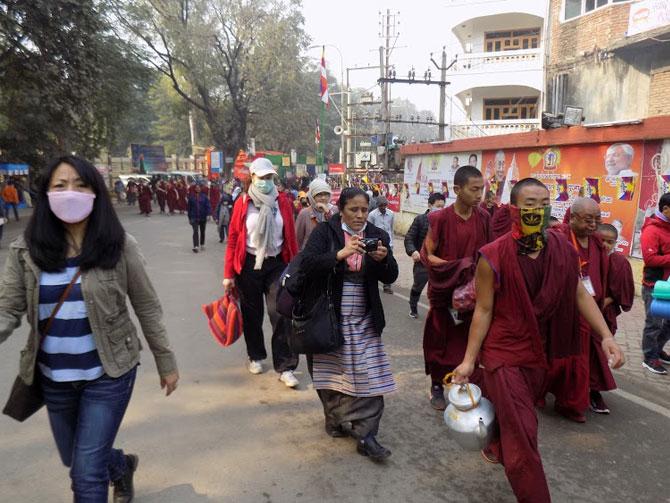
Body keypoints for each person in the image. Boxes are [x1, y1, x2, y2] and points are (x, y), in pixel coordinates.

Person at [0, 155, 179, 502]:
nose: (71, 192)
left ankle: (107, 469)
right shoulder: (25, 250)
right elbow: (7, 308)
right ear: (46, 194)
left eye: (81, 185)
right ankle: (121, 466)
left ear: (95, 193)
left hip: (109, 373)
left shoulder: (120, 245)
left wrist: (166, 361)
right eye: (60, 185)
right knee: (77, 457)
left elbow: (147, 306)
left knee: (85, 475)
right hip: (54, 378)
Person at [453, 178, 624, 503]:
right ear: (514, 209)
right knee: (524, 434)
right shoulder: (493, 256)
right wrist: (468, 359)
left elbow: (577, 291)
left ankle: (497, 442)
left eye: (544, 203)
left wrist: (605, 336)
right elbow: (484, 310)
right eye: (530, 204)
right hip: (503, 353)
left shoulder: (561, 249)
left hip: (539, 354)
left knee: (520, 421)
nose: (538, 210)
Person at [301, 187, 399, 461]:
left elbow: (390, 275)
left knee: (370, 373)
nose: (359, 215)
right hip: (329, 316)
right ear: (341, 209)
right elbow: (307, 264)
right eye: (353, 210)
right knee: (331, 373)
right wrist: (339, 254)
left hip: (365, 315)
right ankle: (334, 417)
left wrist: (384, 260)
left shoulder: (377, 235)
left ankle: (367, 434)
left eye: (364, 210)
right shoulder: (326, 232)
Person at [222, 158, 299, 387]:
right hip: (248, 264)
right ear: (252, 177)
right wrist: (228, 274)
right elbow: (234, 238)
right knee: (252, 315)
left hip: (276, 263)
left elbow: (291, 237)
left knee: (281, 313)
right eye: (262, 177)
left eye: (269, 178)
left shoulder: (282, 201)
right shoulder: (243, 202)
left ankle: (286, 366)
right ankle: (255, 356)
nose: (266, 181)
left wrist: (295, 268)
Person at [421, 165, 491, 410]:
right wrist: (460, 267)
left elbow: (490, 253)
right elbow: (428, 256)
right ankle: (437, 384)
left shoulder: (483, 217)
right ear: (457, 189)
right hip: (445, 290)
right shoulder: (439, 218)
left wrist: (477, 273)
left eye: (482, 189)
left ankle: (466, 382)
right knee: (440, 338)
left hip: (474, 292)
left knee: (469, 340)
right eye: (474, 189)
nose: (479, 195)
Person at [550, 197, 615, 419]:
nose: (593, 225)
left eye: (597, 219)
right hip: (563, 310)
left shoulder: (598, 243)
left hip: (590, 309)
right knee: (563, 357)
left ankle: (580, 398)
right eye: (588, 220)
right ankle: (564, 398)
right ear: (573, 217)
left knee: (586, 357)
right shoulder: (559, 238)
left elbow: (603, 274)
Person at [640, 192, 670, 374]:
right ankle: (649, 358)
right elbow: (650, 259)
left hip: (668, 284)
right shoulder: (652, 229)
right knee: (654, 323)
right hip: (654, 285)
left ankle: (657, 350)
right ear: (665, 209)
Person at [404, 192, 446, 319]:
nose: (441, 209)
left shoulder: (445, 221)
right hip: (422, 261)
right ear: (430, 205)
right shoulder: (420, 220)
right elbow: (409, 238)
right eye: (438, 206)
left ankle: (438, 313)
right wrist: (413, 251)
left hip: (438, 262)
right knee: (418, 286)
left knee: (440, 289)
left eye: (443, 206)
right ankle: (413, 307)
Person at [597, 223, 635, 337]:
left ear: (615, 243)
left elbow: (622, 289)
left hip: (607, 309)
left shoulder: (620, 262)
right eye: (602, 240)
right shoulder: (587, 258)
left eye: (610, 242)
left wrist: (604, 302)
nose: (605, 245)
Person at [296, 178, 334, 250]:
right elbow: (298, 239)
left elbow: (337, 233)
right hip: (309, 257)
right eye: (319, 195)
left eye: (326, 194)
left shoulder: (335, 210)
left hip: (330, 257)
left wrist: (328, 213)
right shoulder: (304, 213)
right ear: (312, 197)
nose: (323, 198)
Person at [368, 196, 395, 294]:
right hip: (377, 243)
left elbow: (391, 229)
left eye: (385, 205)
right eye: (381, 205)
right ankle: (373, 283)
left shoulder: (391, 214)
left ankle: (387, 285)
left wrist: (392, 242)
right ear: (377, 205)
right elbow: (369, 229)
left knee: (387, 263)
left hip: (388, 242)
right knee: (375, 262)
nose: (383, 207)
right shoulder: (372, 215)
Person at [187, 183, 211, 253]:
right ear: (194, 188)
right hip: (194, 217)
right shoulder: (191, 197)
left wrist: (209, 214)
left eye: (199, 187)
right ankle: (196, 246)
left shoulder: (204, 197)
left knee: (202, 231)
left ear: (201, 188)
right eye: (196, 187)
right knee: (195, 231)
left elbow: (208, 206)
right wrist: (189, 218)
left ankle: (202, 244)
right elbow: (189, 208)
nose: (197, 189)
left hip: (203, 216)